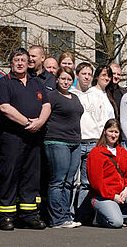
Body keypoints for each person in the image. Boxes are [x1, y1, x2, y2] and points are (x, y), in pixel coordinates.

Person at [0, 48, 52, 230]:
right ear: (11, 63)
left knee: (31, 176)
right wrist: (28, 123)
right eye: (16, 60)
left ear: (29, 63)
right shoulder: (4, 82)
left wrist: (40, 122)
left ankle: (29, 214)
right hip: (12, 137)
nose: (20, 63)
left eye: (23, 60)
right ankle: (6, 215)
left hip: (34, 138)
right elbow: (4, 108)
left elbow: (47, 104)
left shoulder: (37, 83)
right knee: (9, 175)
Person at [45, 67, 85, 229]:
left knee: (69, 182)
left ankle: (66, 216)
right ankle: (57, 219)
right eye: (63, 79)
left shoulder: (75, 97)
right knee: (58, 181)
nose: (66, 82)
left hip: (75, 142)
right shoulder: (51, 96)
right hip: (57, 141)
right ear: (57, 79)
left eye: (69, 79)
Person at [76, 64, 117, 220]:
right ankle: (73, 213)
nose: (86, 76)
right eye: (83, 73)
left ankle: (84, 214)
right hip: (80, 140)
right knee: (74, 181)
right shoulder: (83, 94)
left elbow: (103, 121)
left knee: (88, 182)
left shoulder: (104, 95)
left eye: (89, 73)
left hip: (96, 141)